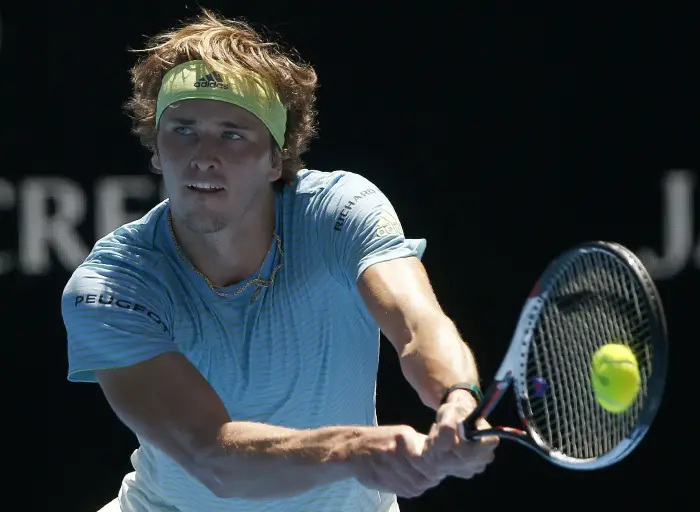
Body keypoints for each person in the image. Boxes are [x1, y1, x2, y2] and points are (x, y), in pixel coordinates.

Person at [61, 8, 497, 512]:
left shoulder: (340, 214)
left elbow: (419, 325)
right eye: (182, 129)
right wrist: (352, 450)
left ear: (276, 157)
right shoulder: (114, 284)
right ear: (156, 149)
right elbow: (212, 456)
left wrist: (457, 399)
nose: (203, 155)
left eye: (232, 133)